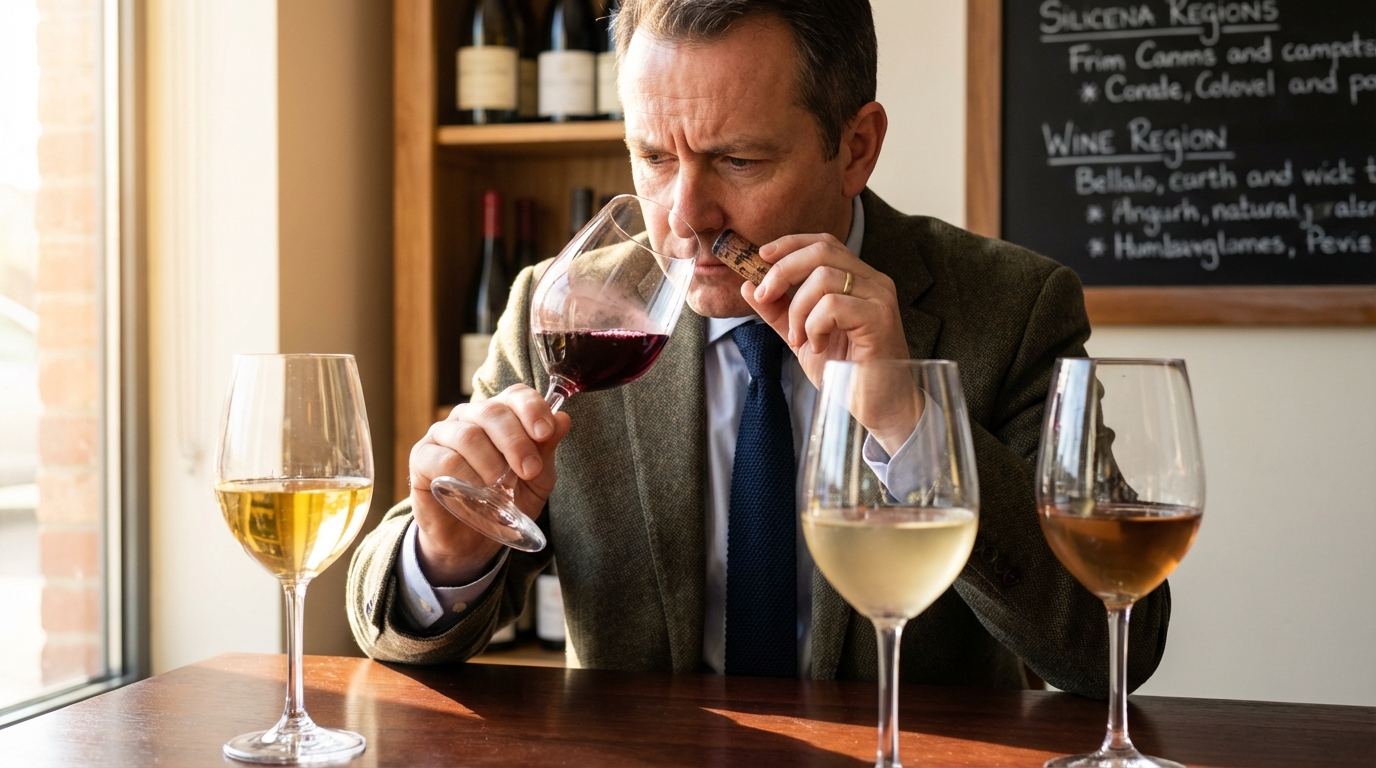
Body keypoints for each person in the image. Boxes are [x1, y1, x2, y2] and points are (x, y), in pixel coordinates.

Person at [347, 0, 1171, 697]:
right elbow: (385, 622)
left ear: (856, 146)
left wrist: (908, 422)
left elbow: (1114, 647)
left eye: (737, 160)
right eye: (653, 157)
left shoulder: (1011, 309)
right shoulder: (563, 310)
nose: (684, 217)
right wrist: (444, 557)